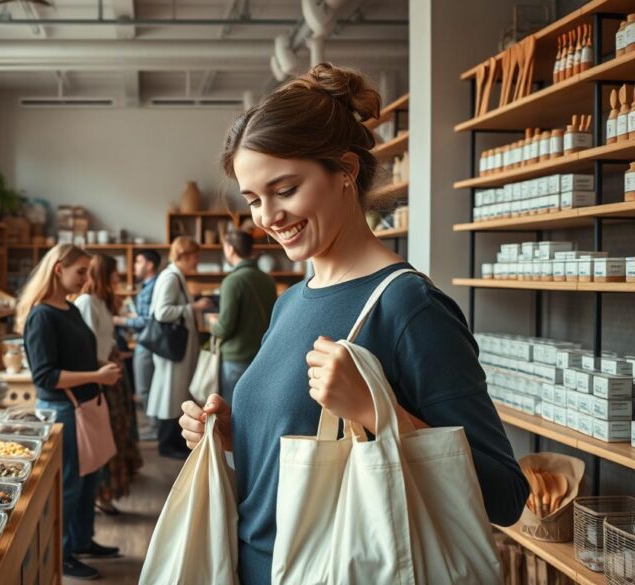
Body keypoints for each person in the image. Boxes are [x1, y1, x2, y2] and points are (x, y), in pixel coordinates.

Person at [178, 63, 528, 584]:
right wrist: (237, 435)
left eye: (285, 189)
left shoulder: (408, 306)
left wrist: (378, 412)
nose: (267, 216)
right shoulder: (290, 302)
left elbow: (505, 495)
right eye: (253, 200)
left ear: (344, 170)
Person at [17, 244, 123, 580]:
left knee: (90, 478)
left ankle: (81, 541)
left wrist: (99, 364)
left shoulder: (71, 308)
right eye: (80, 272)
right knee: (70, 484)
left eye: (88, 272)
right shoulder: (41, 316)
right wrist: (96, 376)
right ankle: (63, 554)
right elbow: (45, 377)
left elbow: (78, 356)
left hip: (84, 406)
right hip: (62, 410)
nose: (86, 279)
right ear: (58, 268)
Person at [75, 255, 143, 516]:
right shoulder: (86, 302)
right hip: (100, 374)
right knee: (106, 436)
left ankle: (108, 492)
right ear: (104, 273)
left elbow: (105, 339)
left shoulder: (101, 301)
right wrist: (103, 370)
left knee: (116, 431)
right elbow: (87, 347)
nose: (118, 276)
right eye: (115, 272)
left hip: (110, 369)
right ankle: (101, 495)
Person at [147, 236, 212, 459]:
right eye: (194, 255)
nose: (197, 260)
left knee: (174, 392)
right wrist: (193, 307)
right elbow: (162, 312)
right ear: (183, 255)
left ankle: (172, 441)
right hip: (174, 348)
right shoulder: (171, 277)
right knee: (170, 393)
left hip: (176, 347)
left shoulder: (174, 276)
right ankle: (167, 444)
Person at [212, 229, 277, 404]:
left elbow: (224, 327)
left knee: (232, 409)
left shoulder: (232, 281)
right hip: (261, 355)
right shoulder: (268, 280)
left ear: (230, 249)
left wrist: (212, 323)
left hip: (236, 358)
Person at [114, 249, 160, 440]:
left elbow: (147, 320)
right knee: (146, 388)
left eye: (138, 262)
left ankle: (154, 429)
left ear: (149, 265)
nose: (134, 266)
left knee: (145, 389)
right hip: (146, 341)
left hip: (147, 342)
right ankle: (154, 426)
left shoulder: (152, 287)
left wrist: (120, 320)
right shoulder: (147, 285)